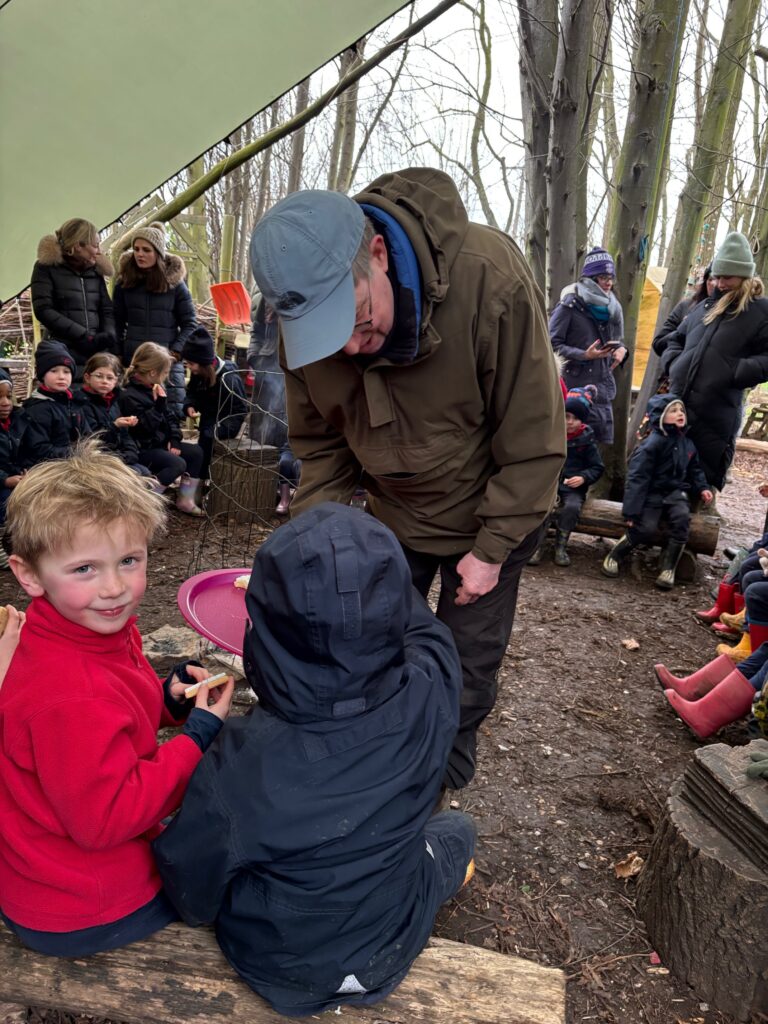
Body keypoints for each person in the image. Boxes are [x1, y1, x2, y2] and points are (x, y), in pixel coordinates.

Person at [248, 169, 565, 791]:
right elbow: (324, 448)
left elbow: (532, 441)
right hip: (396, 513)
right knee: (367, 642)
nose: (352, 348)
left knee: (461, 667)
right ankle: (367, 770)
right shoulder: (302, 323)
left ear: (378, 253)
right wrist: (316, 544)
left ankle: (429, 792)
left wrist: (492, 549)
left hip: (488, 514)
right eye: (328, 335)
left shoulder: (487, 278)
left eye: (360, 318)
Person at [154, 503, 475, 1016]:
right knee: (458, 831)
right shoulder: (432, 688)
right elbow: (425, 631)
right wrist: (370, 577)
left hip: (273, 959)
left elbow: (191, 891)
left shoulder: (237, 761)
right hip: (390, 939)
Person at [0, 441, 234, 955]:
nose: (115, 588)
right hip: (81, 904)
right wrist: (196, 736)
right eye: (84, 569)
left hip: (54, 866)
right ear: (29, 575)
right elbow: (103, 818)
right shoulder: (64, 693)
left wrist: (169, 700)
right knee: (236, 867)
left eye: (129, 560)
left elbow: (115, 716)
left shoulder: (88, 627)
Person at [660, 232, 768, 492]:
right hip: (679, 409)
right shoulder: (704, 309)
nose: (719, 283)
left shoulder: (761, 312)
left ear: (744, 277)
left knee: (697, 488)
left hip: (716, 416)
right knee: (663, 481)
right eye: (717, 277)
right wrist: (674, 363)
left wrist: (735, 372)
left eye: (726, 277)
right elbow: (673, 339)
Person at [602, 395, 712, 588]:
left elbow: (694, 469)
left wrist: (703, 487)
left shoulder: (687, 443)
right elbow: (637, 478)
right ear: (660, 416)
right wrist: (631, 511)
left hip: (675, 493)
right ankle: (615, 555)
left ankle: (668, 568)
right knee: (645, 528)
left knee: (681, 520)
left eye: (681, 410)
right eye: (673, 410)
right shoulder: (651, 444)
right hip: (653, 493)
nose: (679, 413)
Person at [113, 223, 196, 419]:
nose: (140, 254)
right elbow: (115, 322)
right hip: (134, 363)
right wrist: (118, 353)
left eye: (146, 250)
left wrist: (174, 353)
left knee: (170, 414)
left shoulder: (175, 285)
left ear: (158, 252)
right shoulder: (124, 283)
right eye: (136, 249)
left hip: (166, 362)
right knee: (134, 417)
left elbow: (190, 323)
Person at [549, 247, 627, 444]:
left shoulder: (613, 308)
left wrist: (621, 351)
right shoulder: (569, 305)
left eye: (611, 277)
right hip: (573, 392)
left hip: (601, 391)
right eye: (603, 277)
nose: (609, 282)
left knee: (592, 458)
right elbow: (551, 345)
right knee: (569, 455)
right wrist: (584, 355)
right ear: (591, 279)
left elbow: (619, 341)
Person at [120, 343, 206, 515]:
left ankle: (186, 500)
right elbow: (143, 429)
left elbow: (171, 418)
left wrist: (174, 439)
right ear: (153, 372)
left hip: (160, 443)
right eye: (165, 372)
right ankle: (146, 502)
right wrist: (158, 405)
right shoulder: (128, 394)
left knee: (196, 452)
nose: (167, 376)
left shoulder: (155, 388)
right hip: (142, 448)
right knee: (177, 464)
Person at [31, 219, 116, 377]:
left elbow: (106, 308)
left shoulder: (94, 271)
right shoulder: (46, 268)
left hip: (96, 356)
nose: (99, 251)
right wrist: (83, 335)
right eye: (95, 245)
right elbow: (43, 309)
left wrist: (108, 335)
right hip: (62, 354)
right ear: (78, 246)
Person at [246, 291, 300, 514]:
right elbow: (256, 333)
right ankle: (260, 488)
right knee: (261, 429)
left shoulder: (301, 295)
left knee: (285, 426)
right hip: (266, 365)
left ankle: (284, 489)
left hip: (293, 367)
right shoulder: (261, 299)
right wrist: (254, 357)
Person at [539, 385, 603, 567]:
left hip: (572, 487)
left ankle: (561, 545)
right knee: (543, 508)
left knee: (572, 508)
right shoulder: (553, 435)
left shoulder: (587, 441)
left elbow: (597, 467)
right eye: (566, 417)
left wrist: (583, 477)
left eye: (575, 418)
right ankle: (537, 545)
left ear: (582, 421)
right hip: (550, 484)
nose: (569, 422)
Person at [181, 326, 248, 481]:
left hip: (223, 427)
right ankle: (197, 490)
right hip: (207, 424)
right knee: (201, 456)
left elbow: (240, 410)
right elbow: (192, 392)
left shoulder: (229, 380)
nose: (189, 367)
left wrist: (218, 430)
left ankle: (209, 488)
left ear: (204, 363)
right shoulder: (200, 374)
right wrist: (189, 405)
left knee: (213, 458)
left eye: (191, 363)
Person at [74, 352, 150, 479]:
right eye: (99, 376)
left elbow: (125, 435)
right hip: (95, 458)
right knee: (138, 475)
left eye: (110, 378)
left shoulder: (114, 401)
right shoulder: (82, 402)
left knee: (145, 472)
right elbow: (92, 438)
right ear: (87, 377)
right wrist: (115, 426)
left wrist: (130, 453)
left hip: (117, 455)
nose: (104, 381)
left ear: (116, 380)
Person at [18, 341, 83, 470]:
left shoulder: (75, 402)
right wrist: (75, 454)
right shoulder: (37, 409)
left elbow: (87, 434)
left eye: (66, 371)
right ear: (42, 374)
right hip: (48, 469)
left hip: (75, 461)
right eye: (54, 371)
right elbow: (39, 449)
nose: (61, 377)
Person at [0, 370, 26, 530]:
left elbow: (24, 451)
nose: (5, 402)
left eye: (8, 396)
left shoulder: (20, 419)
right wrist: (4, 480)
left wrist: (24, 471)